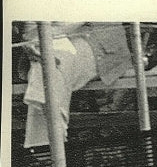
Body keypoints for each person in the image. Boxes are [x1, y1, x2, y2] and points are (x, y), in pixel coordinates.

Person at [21, 22, 133, 150]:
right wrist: (31, 39)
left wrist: (37, 37)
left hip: (96, 37)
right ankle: (53, 154)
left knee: (51, 65)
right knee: (46, 63)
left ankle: (45, 155)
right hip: (43, 39)